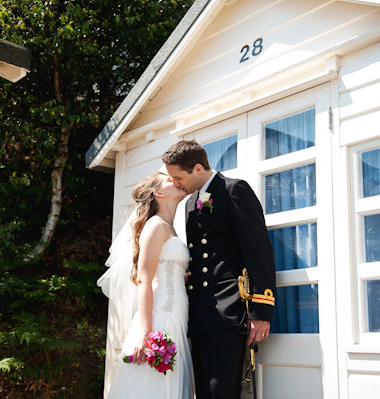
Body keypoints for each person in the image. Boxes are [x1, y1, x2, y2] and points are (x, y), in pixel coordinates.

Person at [162, 140, 276, 399]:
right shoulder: (191, 203)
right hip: (200, 313)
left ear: (198, 168)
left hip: (229, 311)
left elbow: (258, 251)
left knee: (220, 392)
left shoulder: (234, 190)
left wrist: (261, 310)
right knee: (203, 392)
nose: (176, 183)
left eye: (178, 177)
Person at [98, 172, 194, 399]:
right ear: (158, 193)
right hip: (161, 314)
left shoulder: (171, 228)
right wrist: (145, 332)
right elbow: (144, 279)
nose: (178, 181)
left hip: (178, 313)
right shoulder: (155, 226)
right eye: (170, 180)